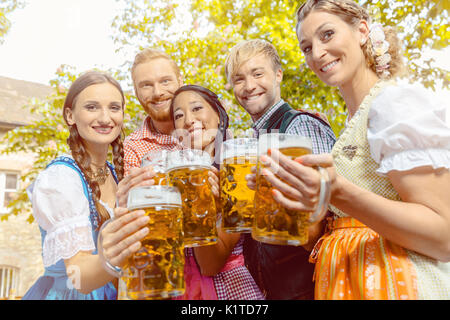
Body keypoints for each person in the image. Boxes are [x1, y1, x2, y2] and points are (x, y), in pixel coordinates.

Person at [257, 0, 450, 299]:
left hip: (398, 286)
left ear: (361, 31)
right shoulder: (352, 121)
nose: (318, 53)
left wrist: (337, 191)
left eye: (327, 35)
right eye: (306, 47)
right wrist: (301, 205)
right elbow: (330, 234)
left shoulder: (392, 104)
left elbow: (444, 236)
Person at [224, 39, 336, 299]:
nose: (249, 86)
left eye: (258, 73)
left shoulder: (299, 127)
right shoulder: (256, 141)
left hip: (309, 287)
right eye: (239, 79)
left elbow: (328, 216)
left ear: (278, 75)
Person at [22, 71, 126, 300]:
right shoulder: (61, 178)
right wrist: (127, 248)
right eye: (92, 107)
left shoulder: (117, 174)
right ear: (70, 115)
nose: (105, 117)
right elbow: (79, 277)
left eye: (114, 108)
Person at [170, 84, 264, 299]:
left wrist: (202, 207)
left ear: (219, 116)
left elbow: (210, 265)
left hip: (228, 290)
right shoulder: (172, 178)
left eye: (196, 109)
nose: (188, 120)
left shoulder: (236, 173)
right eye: (178, 115)